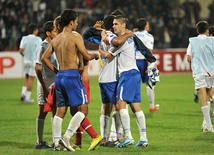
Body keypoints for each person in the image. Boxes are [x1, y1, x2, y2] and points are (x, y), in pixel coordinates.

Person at [41, 9, 100, 151]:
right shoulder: (75, 37)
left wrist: (56, 71)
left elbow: (44, 58)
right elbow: (85, 55)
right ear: (71, 22)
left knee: (60, 110)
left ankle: (56, 142)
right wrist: (95, 56)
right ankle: (66, 137)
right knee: (82, 109)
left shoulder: (57, 39)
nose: (77, 23)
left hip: (60, 77)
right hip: (72, 76)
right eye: (76, 21)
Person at [100, 15, 149, 147]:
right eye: (113, 24)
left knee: (120, 103)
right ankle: (143, 138)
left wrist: (99, 50)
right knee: (135, 106)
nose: (114, 26)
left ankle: (128, 136)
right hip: (134, 73)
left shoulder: (122, 40)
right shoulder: (127, 39)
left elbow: (109, 54)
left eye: (116, 24)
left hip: (127, 74)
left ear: (123, 25)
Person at [186, 21, 214, 132]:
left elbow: (188, 58)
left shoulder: (192, 42)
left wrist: (197, 61)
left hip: (199, 72)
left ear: (197, 30)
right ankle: (205, 124)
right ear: (207, 30)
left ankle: (208, 125)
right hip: (211, 72)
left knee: (202, 96)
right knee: (208, 95)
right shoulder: (212, 41)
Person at [35, 21, 58, 149]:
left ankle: (55, 141)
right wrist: (44, 87)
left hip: (56, 84)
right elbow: (37, 68)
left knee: (55, 111)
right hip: (44, 83)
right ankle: (39, 141)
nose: (57, 33)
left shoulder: (56, 45)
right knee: (43, 112)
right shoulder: (42, 47)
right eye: (55, 31)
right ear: (48, 33)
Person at [134, 18, 160, 112]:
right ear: (145, 26)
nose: (148, 26)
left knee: (133, 85)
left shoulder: (133, 35)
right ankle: (152, 106)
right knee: (151, 83)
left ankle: (131, 106)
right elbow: (149, 51)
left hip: (133, 61)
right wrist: (152, 64)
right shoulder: (149, 36)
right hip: (144, 61)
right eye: (148, 24)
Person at [19, 23, 42, 103]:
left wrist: (25, 56)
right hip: (33, 61)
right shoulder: (38, 39)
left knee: (26, 77)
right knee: (31, 79)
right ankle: (27, 98)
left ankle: (22, 94)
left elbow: (21, 50)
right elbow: (40, 51)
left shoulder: (24, 38)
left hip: (26, 61)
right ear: (35, 30)